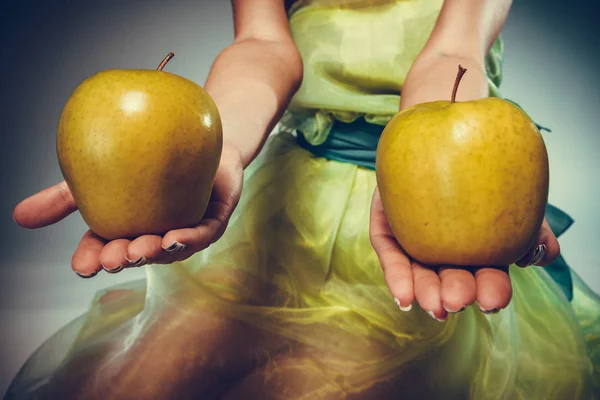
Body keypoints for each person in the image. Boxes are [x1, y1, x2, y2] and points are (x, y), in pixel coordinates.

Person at [6, 0, 600, 398]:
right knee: (132, 381)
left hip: (422, 195)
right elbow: (262, 45)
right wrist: (217, 151)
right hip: (284, 201)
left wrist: (424, 168)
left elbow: (450, 56)